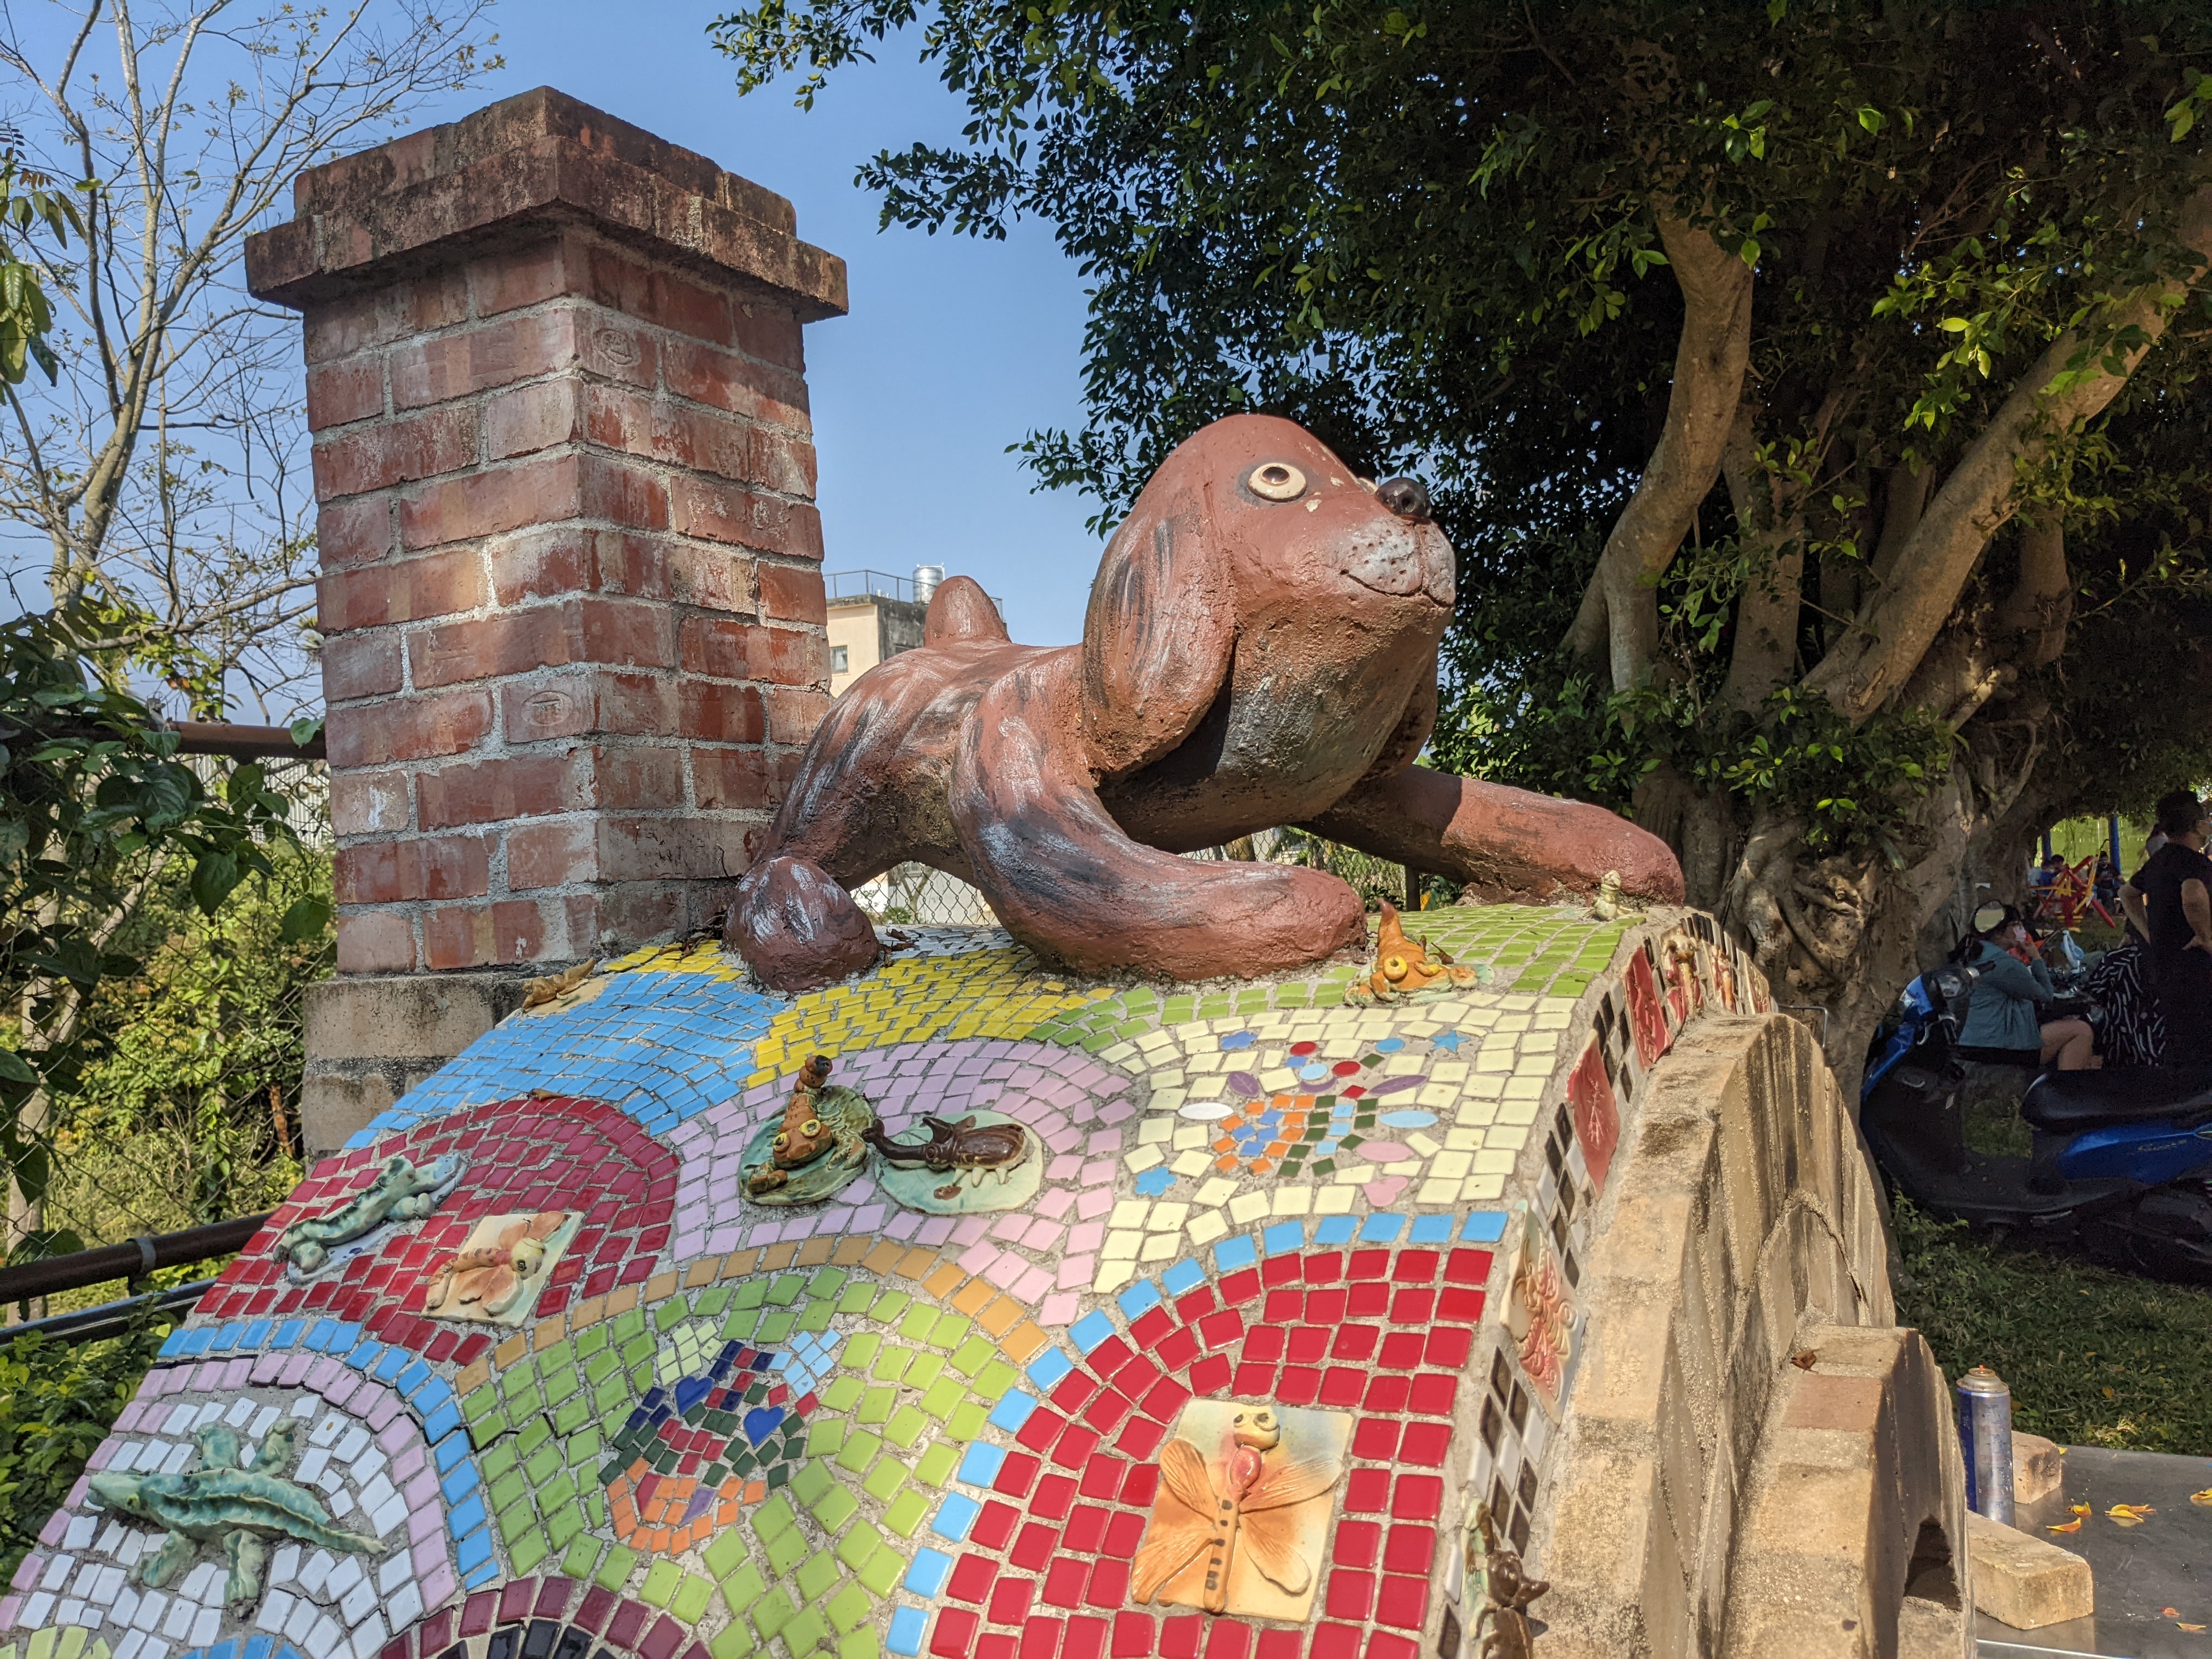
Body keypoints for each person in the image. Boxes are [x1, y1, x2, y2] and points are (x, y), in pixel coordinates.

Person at [2121, 790, 2212, 1066]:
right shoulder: (2195, 862)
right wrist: (2205, 937)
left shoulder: (2158, 861)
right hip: (2198, 968)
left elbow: (2127, 894)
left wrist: (2149, 933)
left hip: (2164, 966)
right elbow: (2193, 896)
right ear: (2197, 826)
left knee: (2180, 1043)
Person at [1956, 903, 2100, 1070]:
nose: (2021, 929)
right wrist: (2036, 957)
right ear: (1999, 932)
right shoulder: (2003, 963)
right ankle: (2065, 1085)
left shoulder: (1973, 953)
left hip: (1972, 1037)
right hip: (1997, 1043)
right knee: (2080, 1030)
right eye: (2015, 925)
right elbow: (2045, 996)